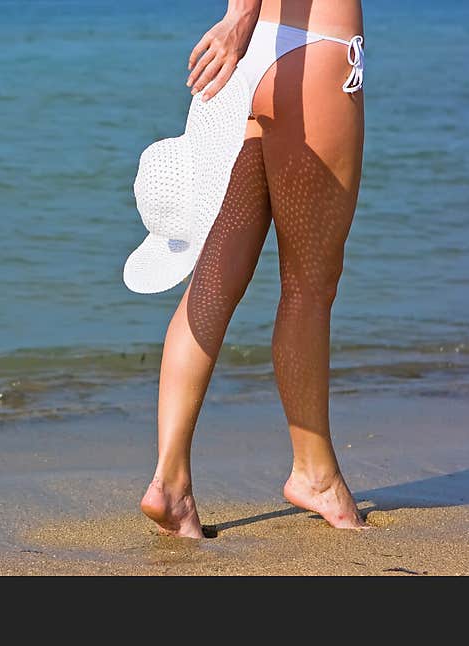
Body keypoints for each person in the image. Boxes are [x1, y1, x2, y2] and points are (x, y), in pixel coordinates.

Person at [140, 0, 371, 537]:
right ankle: (315, 474)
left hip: (246, 64)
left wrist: (243, 23)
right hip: (311, 55)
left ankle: (169, 482)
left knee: (216, 279)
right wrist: (240, 16)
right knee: (309, 288)